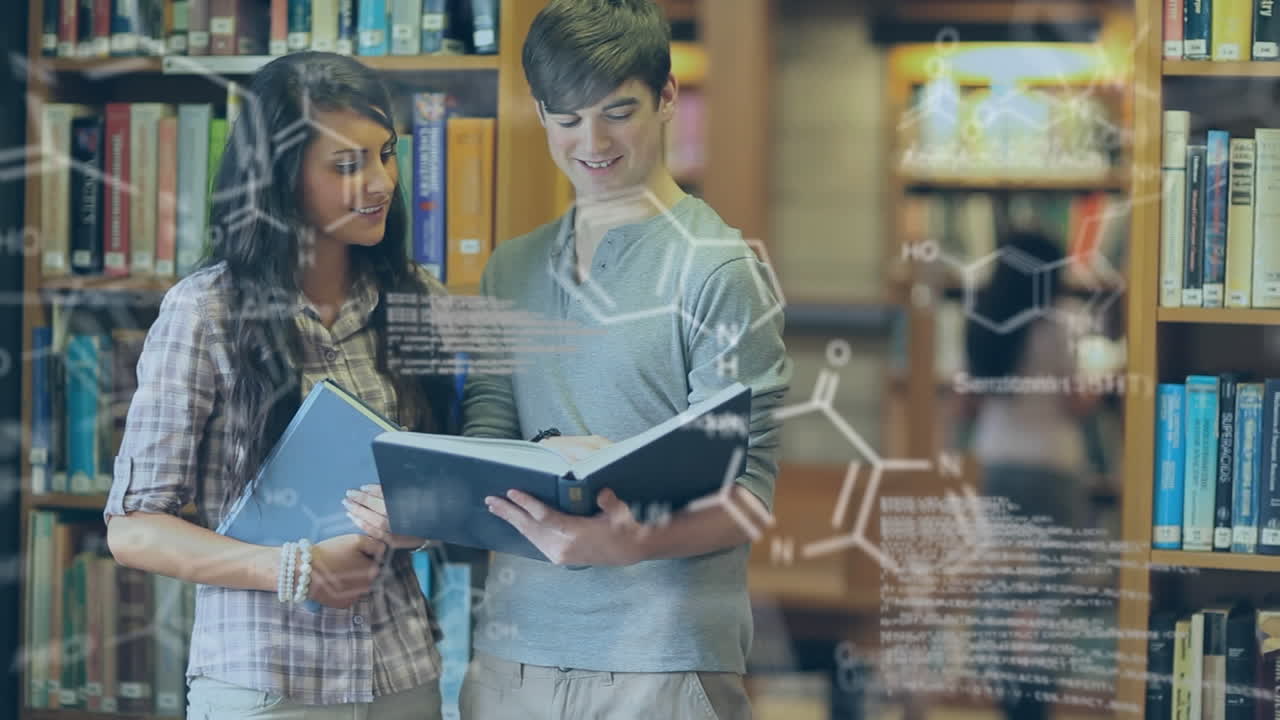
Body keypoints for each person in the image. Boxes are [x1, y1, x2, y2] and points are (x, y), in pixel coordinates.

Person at [453, 0, 791, 717]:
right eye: (567, 118)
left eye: (618, 111)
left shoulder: (718, 268)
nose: (592, 141)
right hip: (513, 659)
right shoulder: (509, 271)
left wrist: (619, 543)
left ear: (667, 99)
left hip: (661, 664)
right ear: (541, 114)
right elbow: (485, 435)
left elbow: (749, 497)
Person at [103, 51, 456, 720]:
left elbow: (449, 473)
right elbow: (134, 529)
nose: (380, 183)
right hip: (266, 680)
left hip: (402, 674)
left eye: (386, 155)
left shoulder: (418, 301)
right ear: (281, 177)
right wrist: (291, 569)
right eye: (348, 165)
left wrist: (424, 513)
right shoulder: (205, 311)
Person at [963, 230, 1098, 720]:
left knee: (1003, 587)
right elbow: (1073, 400)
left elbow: (970, 399)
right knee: (1047, 592)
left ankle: (1005, 695)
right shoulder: (1058, 324)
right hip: (1053, 468)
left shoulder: (982, 322)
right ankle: (1035, 701)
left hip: (999, 463)